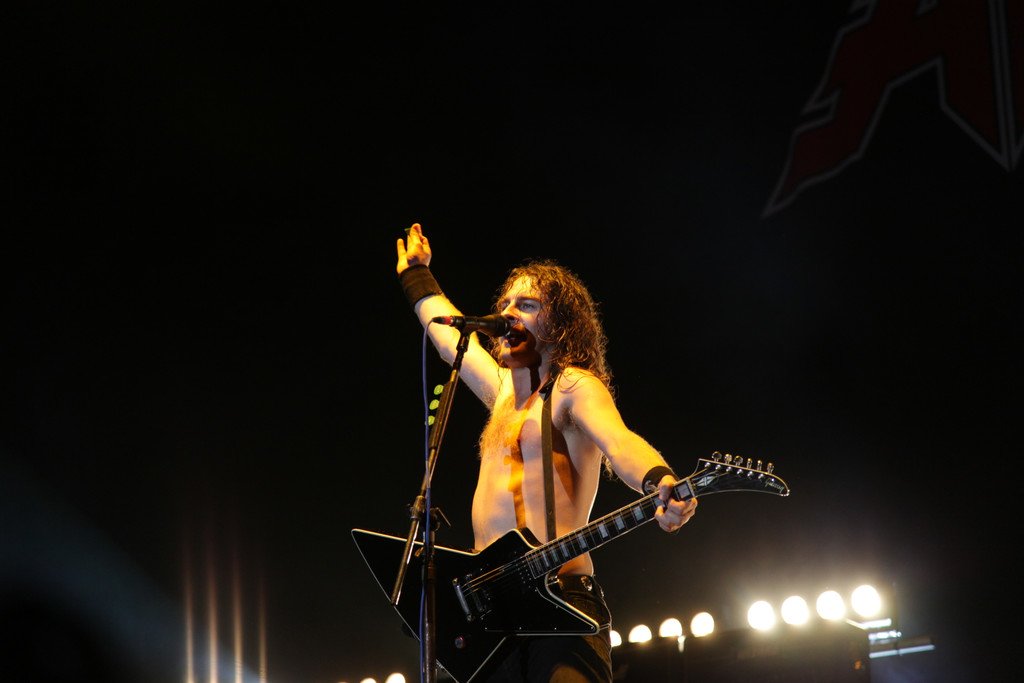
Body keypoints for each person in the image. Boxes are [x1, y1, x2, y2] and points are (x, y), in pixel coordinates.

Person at [395, 223, 698, 682]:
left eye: (527, 305)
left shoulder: (573, 385)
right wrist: (416, 274)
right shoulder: (502, 392)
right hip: (490, 612)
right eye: (505, 304)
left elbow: (620, 442)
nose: (508, 313)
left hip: (559, 596)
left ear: (559, 324)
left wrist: (660, 480)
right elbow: (446, 338)